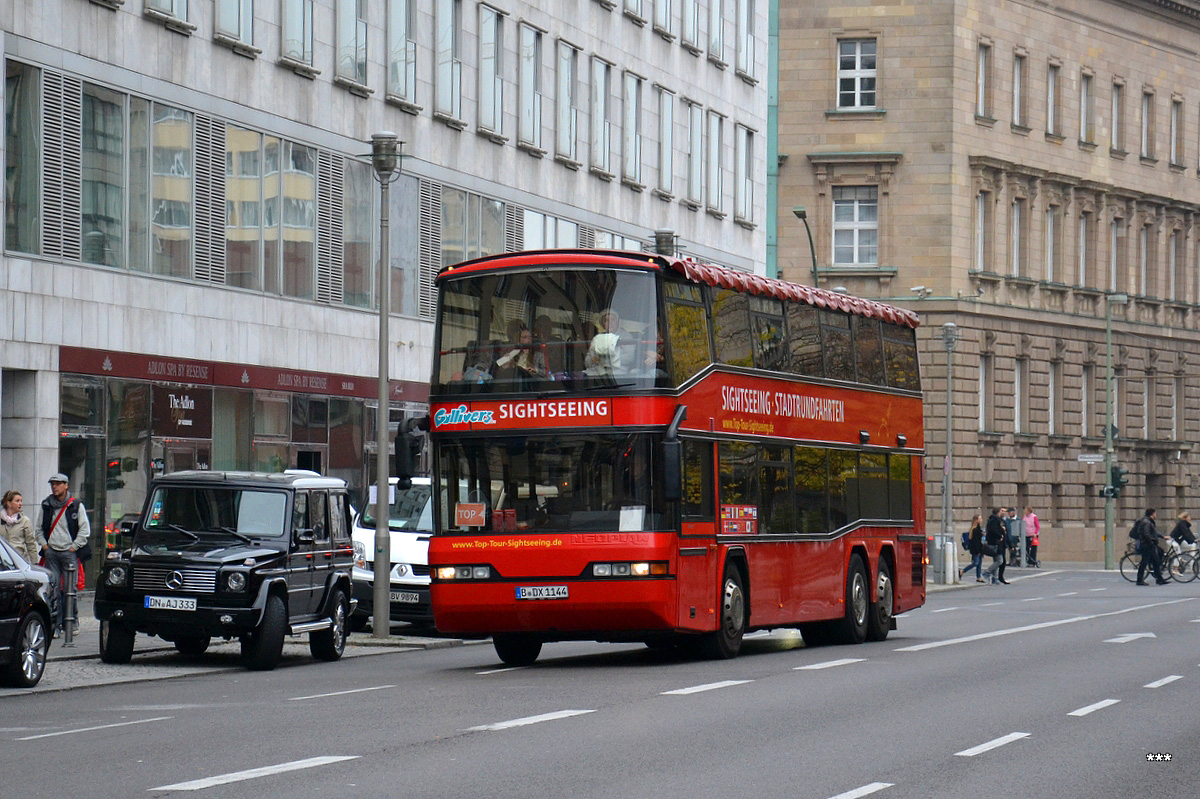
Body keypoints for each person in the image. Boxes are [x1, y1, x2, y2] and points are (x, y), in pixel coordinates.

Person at [40, 473, 91, 637]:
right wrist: (45, 546)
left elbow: (85, 530)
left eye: (58, 484)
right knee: (53, 590)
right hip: (52, 552)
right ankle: (55, 624)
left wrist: (74, 547)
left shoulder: (75, 505)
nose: (54, 487)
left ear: (66, 485)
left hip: (69, 553)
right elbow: (38, 529)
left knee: (70, 590)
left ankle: (71, 621)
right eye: (52, 484)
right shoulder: (47, 504)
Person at [2, 490, 42, 563]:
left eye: (21, 501)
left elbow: (31, 544)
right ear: (9, 503)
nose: (20, 504)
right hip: (3, 561)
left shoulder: (25, 521)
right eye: (17, 501)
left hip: (19, 561)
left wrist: (35, 563)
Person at [1133, 508, 1169, 586]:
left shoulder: (1148, 521)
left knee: (1156, 562)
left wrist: (1162, 536)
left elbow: (1154, 532)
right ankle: (1139, 580)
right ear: (1152, 514)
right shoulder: (1146, 522)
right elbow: (1146, 534)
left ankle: (1159, 579)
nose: (1156, 515)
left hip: (1149, 545)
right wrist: (1151, 541)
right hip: (1147, 545)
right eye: (1155, 513)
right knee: (1144, 563)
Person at [584, 310, 624, 376]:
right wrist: (593, 360)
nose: (610, 323)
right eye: (606, 320)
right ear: (603, 324)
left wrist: (604, 360)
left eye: (613, 320)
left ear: (617, 322)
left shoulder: (625, 336)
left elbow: (629, 358)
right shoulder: (597, 338)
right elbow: (588, 362)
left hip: (619, 374)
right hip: (598, 374)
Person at [982, 507, 1009, 585]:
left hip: (995, 542)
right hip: (995, 543)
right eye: (1001, 511)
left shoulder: (993, 520)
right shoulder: (995, 520)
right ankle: (987, 572)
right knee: (999, 560)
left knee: (996, 560)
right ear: (998, 512)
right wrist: (1000, 535)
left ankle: (995, 578)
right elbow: (993, 530)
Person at [958, 513, 986, 583]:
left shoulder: (978, 529)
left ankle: (978, 577)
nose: (981, 520)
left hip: (979, 549)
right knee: (975, 563)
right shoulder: (975, 530)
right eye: (980, 519)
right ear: (976, 520)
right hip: (976, 550)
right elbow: (975, 542)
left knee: (979, 563)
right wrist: (978, 551)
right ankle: (962, 571)